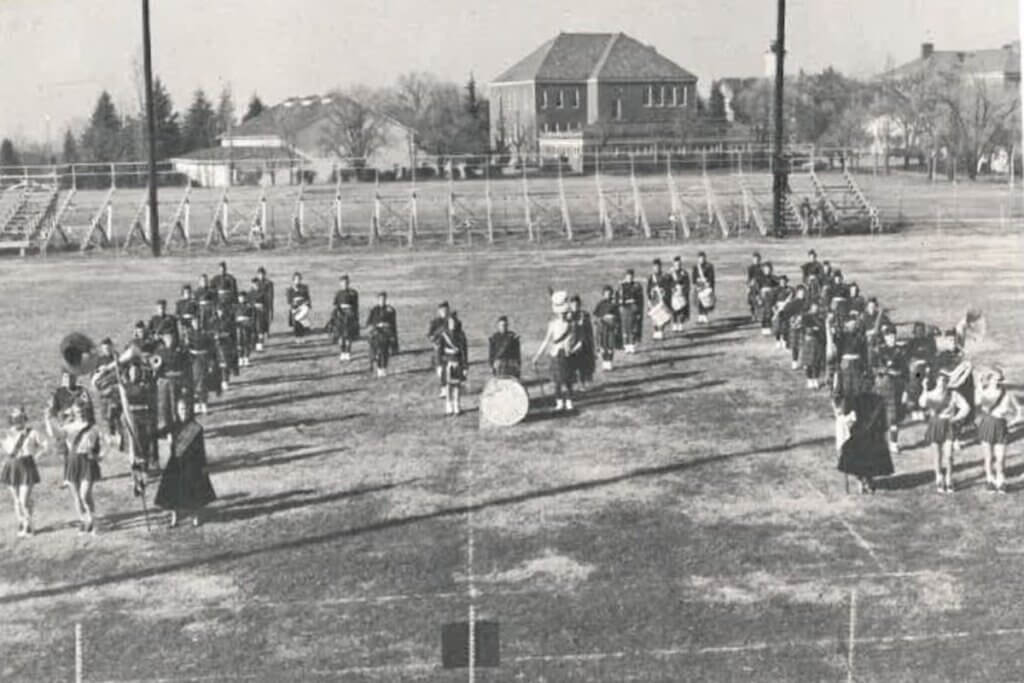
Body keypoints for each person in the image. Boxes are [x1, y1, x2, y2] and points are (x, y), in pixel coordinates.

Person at [155, 399, 216, 528]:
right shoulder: (173, 426)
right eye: (181, 409)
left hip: (191, 464)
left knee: (193, 492)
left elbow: (201, 449)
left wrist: (203, 466)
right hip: (176, 463)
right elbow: (158, 434)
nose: (184, 412)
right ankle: (174, 519)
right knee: (173, 492)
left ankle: (195, 518)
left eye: (186, 409)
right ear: (177, 411)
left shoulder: (196, 428)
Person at [836, 385, 894, 494]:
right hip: (874, 437)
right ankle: (868, 480)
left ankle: (862, 480)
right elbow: (884, 424)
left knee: (858, 457)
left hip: (859, 437)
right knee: (871, 458)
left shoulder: (855, 399)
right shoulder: (879, 400)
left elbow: (847, 417)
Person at [920, 370, 971, 494]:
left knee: (949, 455)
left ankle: (949, 478)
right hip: (935, 424)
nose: (942, 383)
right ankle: (938, 477)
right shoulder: (931, 394)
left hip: (949, 425)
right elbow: (922, 403)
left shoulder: (953, 394)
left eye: (945, 381)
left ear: (948, 382)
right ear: (936, 381)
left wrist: (956, 418)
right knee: (937, 454)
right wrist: (924, 388)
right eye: (940, 380)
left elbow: (966, 407)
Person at [975, 368, 1022, 493]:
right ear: (989, 380)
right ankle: (990, 480)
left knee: (1001, 457)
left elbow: (1019, 409)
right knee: (988, 456)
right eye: (995, 379)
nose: (998, 382)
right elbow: (977, 404)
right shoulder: (984, 392)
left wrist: (1014, 421)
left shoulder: (1007, 394)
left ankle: (1001, 480)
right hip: (987, 424)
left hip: (1001, 425)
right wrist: (979, 387)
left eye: (1000, 379)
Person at [59, 402, 103, 534]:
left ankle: (93, 520)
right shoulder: (68, 427)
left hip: (87, 462)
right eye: (78, 411)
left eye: (83, 411)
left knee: (85, 494)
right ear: (73, 412)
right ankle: (84, 521)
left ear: (87, 411)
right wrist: (48, 418)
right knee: (77, 496)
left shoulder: (94, 428)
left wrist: (100, 456)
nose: (81, 414)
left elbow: (106, 443)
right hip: (73, 461)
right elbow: (54, 434)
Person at [1, 407, 45, 537]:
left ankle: (29, 524)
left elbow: (45, 445)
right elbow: (5, 448)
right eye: (15, 419)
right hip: (12, 466)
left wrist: (36, 456)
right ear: (12, 420)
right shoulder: (6, 433)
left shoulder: (32, 433)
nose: (17, 421)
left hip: (27, 466)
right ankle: (21, 522)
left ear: (24, 419)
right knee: (16, 499)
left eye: (20, 418)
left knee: (24, 499)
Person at [46, 370, 92, 488]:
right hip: (66, 425)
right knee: (66, 452)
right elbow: (53, 409)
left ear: (75, 377)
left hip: (80, 424)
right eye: (66, 377)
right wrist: (54, 417)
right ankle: (68, 477)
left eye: (71, 377)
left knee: (81, 450)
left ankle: (84, 473)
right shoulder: (58, 392)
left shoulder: (82, 391)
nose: (69, 380)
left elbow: (87, 406)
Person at [532, 291, 576, 412]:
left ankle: (569, 401)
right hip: (556, 354)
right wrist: (537, 356)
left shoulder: (570, 324)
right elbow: (546, 341)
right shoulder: (552, 324)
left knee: (568, 381)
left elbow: (572, 340)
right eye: (561, 313)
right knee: (557, 381)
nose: (563, 315)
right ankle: (559, 402)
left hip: (567, 354)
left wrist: (571, 349)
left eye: (564, 313)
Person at [872, 325, 908, 455]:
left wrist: (905, 391)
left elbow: (905, 373)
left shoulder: (901, 352)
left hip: (895, 389)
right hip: (880, 387)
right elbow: (873, 368)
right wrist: (886, 371)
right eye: (888, 336)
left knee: (894, 418)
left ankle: (894, 443)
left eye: (893, 336)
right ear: (885, 337)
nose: (891, 338)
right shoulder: (878, 351)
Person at [438, 314, 469, 416]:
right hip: (447, 363)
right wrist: (439, 365)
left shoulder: (461, 335)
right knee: (448, 386)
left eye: (454, 323)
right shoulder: (444, 335)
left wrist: (465, 366)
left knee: (457, 385)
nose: (452, 325)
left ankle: (457, 405)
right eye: (450, 323)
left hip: (458, 363)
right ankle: (448, 406)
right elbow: (440, 351)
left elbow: (464, 352)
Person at [366, 292, 399, 378]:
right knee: (377, 351)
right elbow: (368, 323)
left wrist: (392, 335)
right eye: (380, 299)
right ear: (378, 300)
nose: (382, 301)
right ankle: (378, 368)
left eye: (384, 299)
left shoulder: (390, 310)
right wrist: (376, 325)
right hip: (376, 333)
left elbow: (393, 324)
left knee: (385, 351)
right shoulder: (374, 310)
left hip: (386, 333)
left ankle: (383, 368)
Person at [329, 274, 360, 362]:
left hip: (350, 316)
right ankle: (342, 352)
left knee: (348, 336)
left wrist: (356, 317)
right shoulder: (338, 293)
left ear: (348, 283)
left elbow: (356, 306)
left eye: (346, 283)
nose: (344, 284)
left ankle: (348, 353)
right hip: (340, 316)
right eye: (342, 283)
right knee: (340, 336)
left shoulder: (353, 293)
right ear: (340, 284)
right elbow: (335, 305)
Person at [568, 295, 595, 391]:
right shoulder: (568, 316)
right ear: (570, 305)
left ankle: (582, 384)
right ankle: (572, 385)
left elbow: (589, 331)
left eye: (577, 304)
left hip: (583, 344)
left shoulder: (585, 315)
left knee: (582, 366)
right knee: (571, 366)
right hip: (571, 343)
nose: (575, 306)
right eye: (573, 304)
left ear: (579, 305)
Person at [593, 286, 622, 372]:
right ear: (603, 295)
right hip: (602, 328)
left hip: (611, 329)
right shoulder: (600, 304)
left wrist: (616, 326)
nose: (607, 296)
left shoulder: (614, 305)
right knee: (603, 346)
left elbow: (618, 317)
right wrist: (599, 321)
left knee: (610, 345)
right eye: (606, 294)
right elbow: (596, 316)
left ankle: (609, 362)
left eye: (609, 294)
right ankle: (604, 362)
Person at [427, 301, 452, 396]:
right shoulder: (435, 322)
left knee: (449, 369)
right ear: (438, 311)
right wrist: (434, 341)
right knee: (440, 369)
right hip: (438, 349)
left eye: (446, 310)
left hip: (449, 349)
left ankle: (447, 388)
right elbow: (430, 335)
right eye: (442, 310)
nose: (444, 312)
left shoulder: (452, 321)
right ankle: (444, 387)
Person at [801, 301, 826, 389]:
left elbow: (823, 329)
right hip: (810, 340)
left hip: (818, 341)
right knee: (809, 362)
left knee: (817, 362)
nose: (815, 309)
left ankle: (816, 379)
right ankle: (809, 380)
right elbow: (803, 327)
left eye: (817, 307)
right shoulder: (806, 316)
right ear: (811, 307)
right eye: (814, 307)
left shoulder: (820, 317)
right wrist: (811, 329)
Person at [645, 259, 672, 341]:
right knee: (655, 316)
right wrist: (650, 296)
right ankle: (656, 331)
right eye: (655, 267)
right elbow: (648, 288)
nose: (656, 268)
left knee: (663, 315)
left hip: (663, 299)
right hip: (654, 299)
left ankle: (661, 331)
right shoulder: (651, 277)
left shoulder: (665, 276)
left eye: (658, 266)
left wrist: (664, 293)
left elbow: (668, 287)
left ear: (660, 267)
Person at [617, 269, 643, 354]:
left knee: (633, 327)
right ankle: (626, 345)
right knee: (625, 327)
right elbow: (618, 298)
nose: (630, 278)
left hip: (633, 309)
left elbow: (640, 300)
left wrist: (639, 311)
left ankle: (632, 345)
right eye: (628, 276)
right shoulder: (621, 286)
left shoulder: (637, 286)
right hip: (624, 309)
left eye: (631, 276)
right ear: (625, 277)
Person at [252, 267, 274, 351]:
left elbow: (270, 296)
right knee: (256, 325)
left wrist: (269, 307)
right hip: (256, 307)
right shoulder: (255, 282)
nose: (261, 276)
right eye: (259, 274)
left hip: (265, 305)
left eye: (262, 274)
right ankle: (257, 342)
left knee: (264, 323)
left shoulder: (268, 283)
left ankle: (263, 338)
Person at [285, 272, 312, 339]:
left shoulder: (304, 287)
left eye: (299, 279)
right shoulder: (290, 289)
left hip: (303, 307)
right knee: (297, 321)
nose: (297, 281)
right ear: (293, 280)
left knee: (299, 319)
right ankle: (297, 336)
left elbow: (307, 297)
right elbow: (289, 301)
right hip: (295, 307)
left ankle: (302, 336)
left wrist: (307, 304)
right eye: (296, 279)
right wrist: (294, 304)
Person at [233, 291, 257, 368]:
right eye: (240, 297)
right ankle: (240, 358)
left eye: (243, 297)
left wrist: (251, 324)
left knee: (247, 342)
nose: (241, 299)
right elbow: (233, 317)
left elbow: (253, 317)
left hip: (247, 326)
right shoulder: (235, 307)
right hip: (238, 326)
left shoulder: (249, 306)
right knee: (239, 343)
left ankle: (246, 358)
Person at [668, 256, 691, 333]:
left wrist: (684, 290)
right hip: (674, 294)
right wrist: (671, 288)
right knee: (674, 309)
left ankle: (681, 324)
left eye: (679, 264)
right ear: (673, 264)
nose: (677, 266)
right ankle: (674, 324)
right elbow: (667, 283)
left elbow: (687, 283)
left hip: (682, 294)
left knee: (682, 309)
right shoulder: (670, 273)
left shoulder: (684, 273)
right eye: (676, 264)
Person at [692, 251, 716, 325]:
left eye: (702, 258)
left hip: (706, 286)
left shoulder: (709, 266)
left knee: (706, 301)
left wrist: (709, 283)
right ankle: (700, 316)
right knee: (699, 301)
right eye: (700, 258)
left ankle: (705, 316)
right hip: (699, 286)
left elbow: (711, 277)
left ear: (705, 258)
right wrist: (696, 282)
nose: (701, 259)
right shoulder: (696, 267)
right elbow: (693, 277)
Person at [746, 252, 764, 322]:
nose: (756, 261)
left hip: (760, 286)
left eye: (757, 259)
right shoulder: (750, 268)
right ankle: (753, 315)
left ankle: (759, 315)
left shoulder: (762, 268)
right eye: (754, 259)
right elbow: (749, 278)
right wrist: (748, 286)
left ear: (760, 260)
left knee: (759, 301)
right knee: (751, 301)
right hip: (753, 286)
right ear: (752, 260)